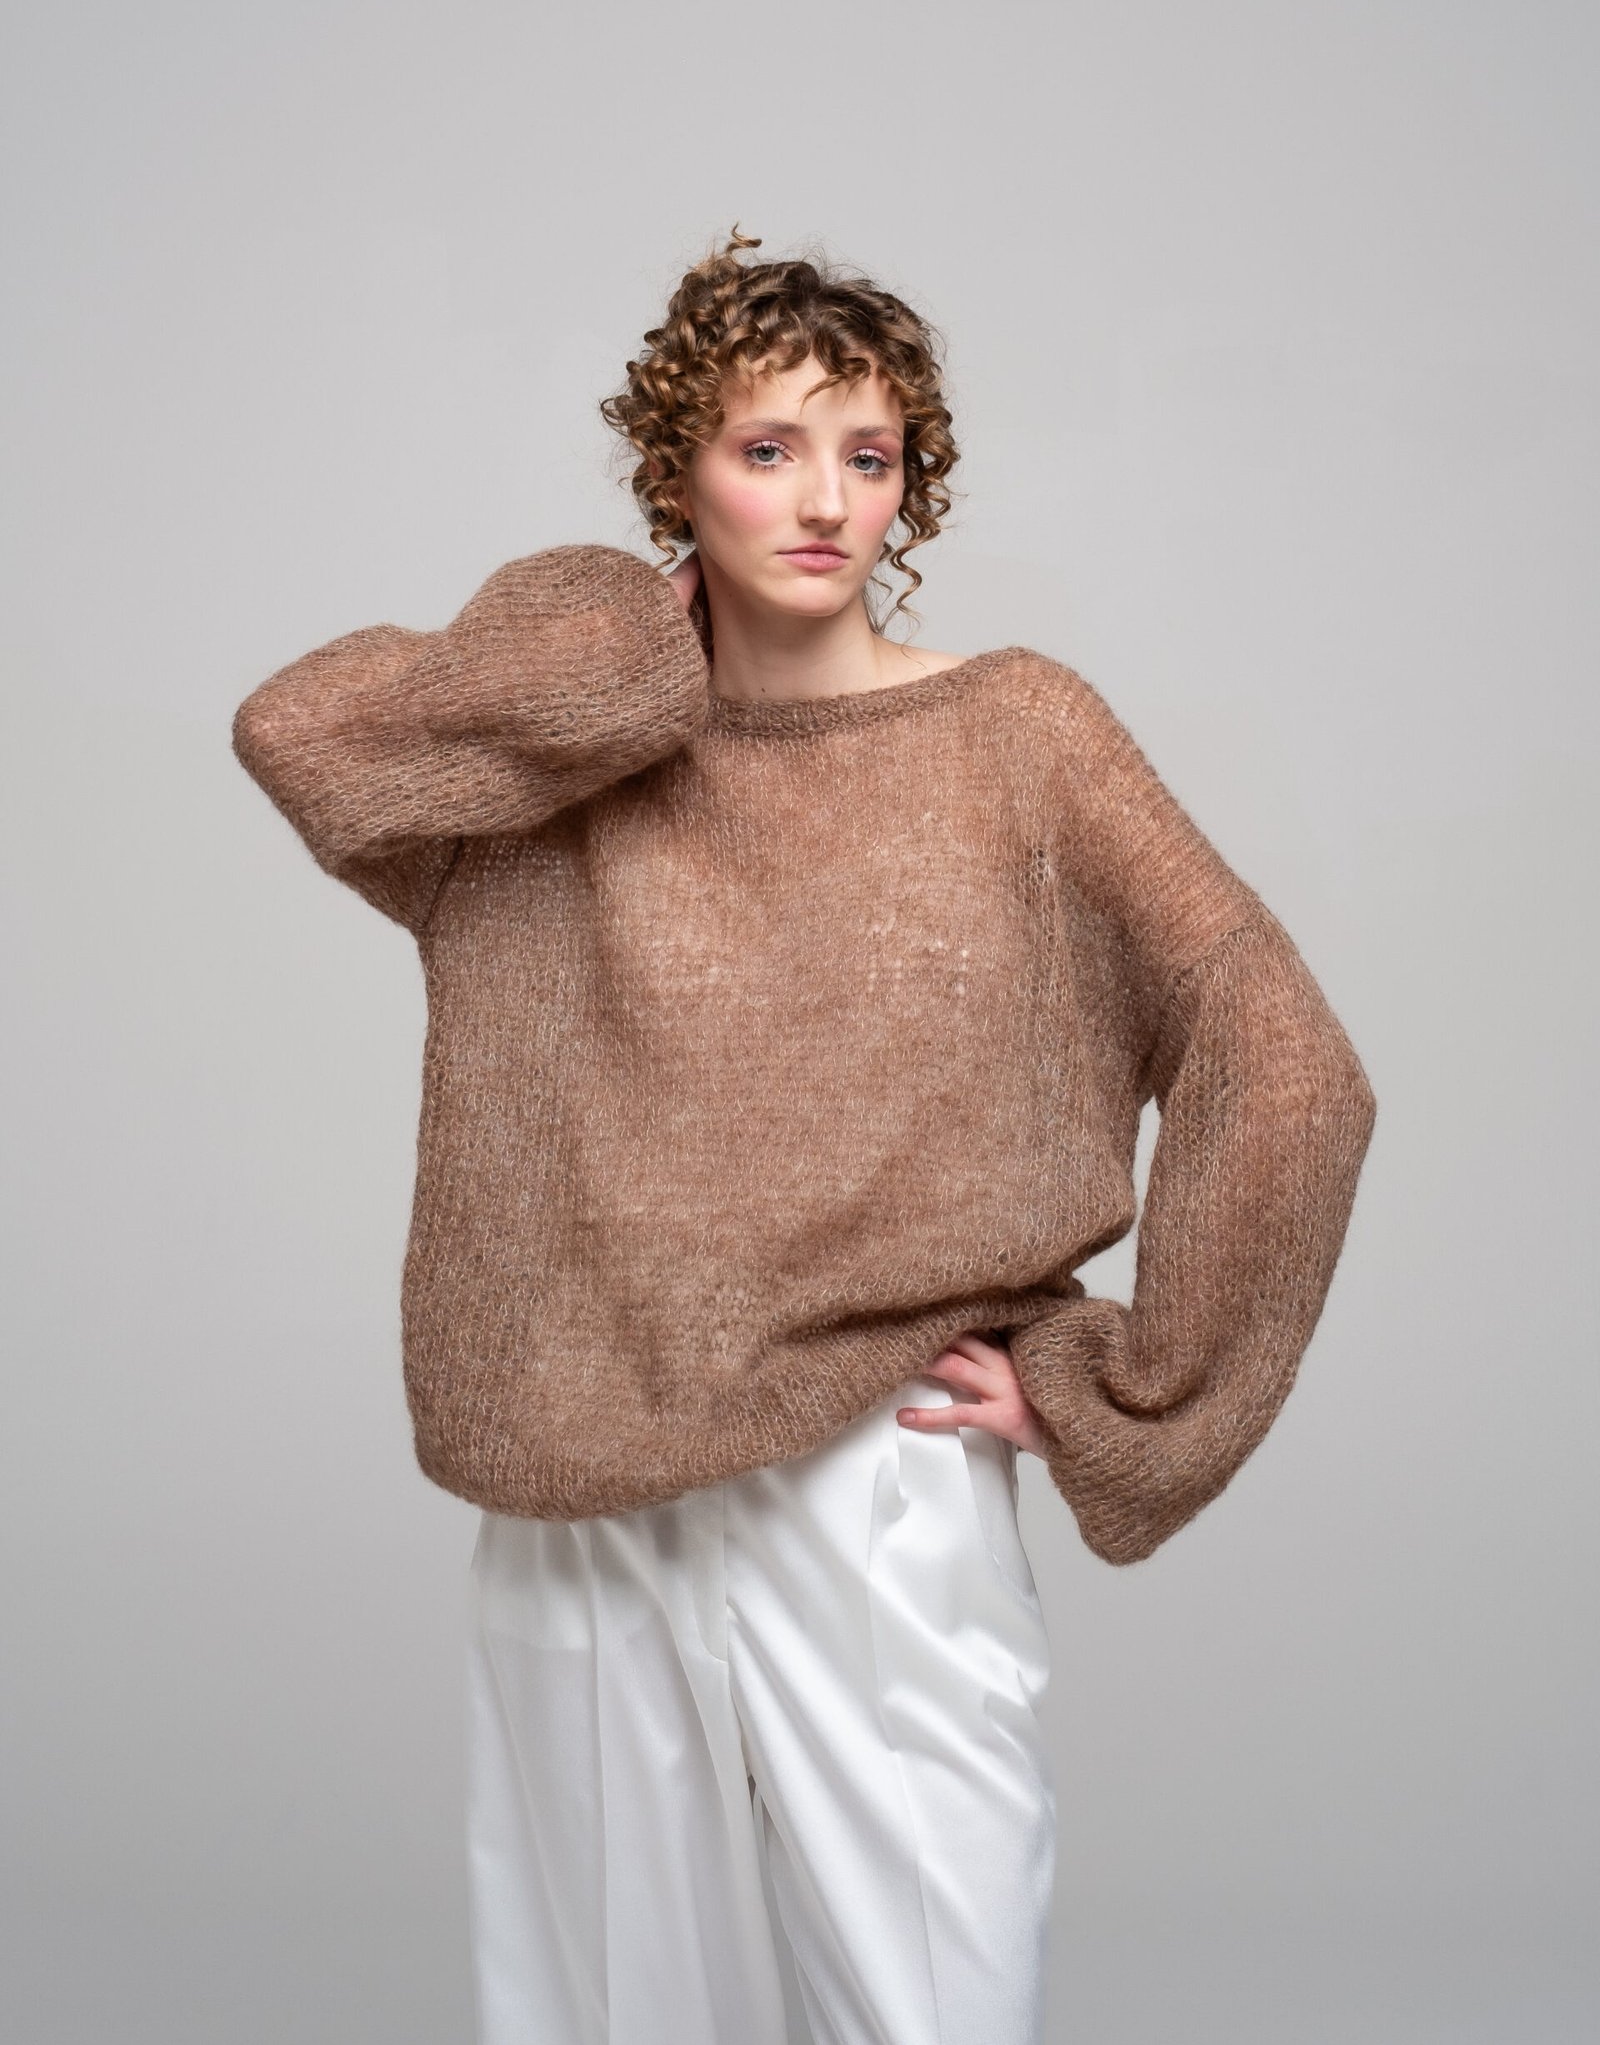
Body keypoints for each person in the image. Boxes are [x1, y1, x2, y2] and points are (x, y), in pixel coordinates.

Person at [230, 227, 1377, 2045]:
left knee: (930, 2008)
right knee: (604, 2017)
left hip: (875, 1473)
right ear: (676, 472)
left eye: (870, 453)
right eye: (766, 448)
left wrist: (1138, 1390)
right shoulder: (557, 764)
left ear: (913, 479)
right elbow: (302, 733)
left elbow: (1286, 1056)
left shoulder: (1019, 735)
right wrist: (616, 645)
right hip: (581, 1483)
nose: (828, 500)